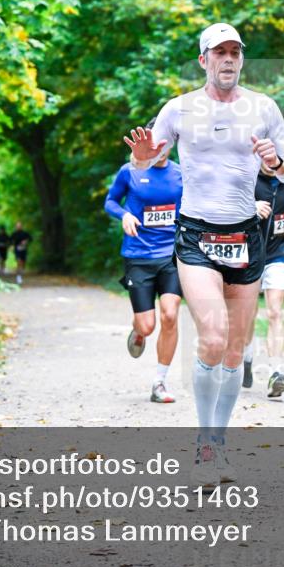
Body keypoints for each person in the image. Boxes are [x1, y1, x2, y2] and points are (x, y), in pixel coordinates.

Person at [123, 23, 284, 487]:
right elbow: (146, 160)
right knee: (214, 336)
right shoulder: (179, 108)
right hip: (197, 234)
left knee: (236, 349)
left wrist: (275, 164)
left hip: (246, 234)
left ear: (242, 58)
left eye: (234, 52)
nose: (228, 59)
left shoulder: (263, 107)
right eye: (218, 52)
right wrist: (142, 158)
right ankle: (204, 442)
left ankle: (217, 441)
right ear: (203, 59)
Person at [104, 121, 184, 404]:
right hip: (138, 256)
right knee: (148, 325)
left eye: (166, 141)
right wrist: (124, 215)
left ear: (172, 143)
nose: (159, 147)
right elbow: (110, 201)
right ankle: (138, 330)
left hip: (172, 256)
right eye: (155, 140)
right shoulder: (130, 172)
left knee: (171, 315)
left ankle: (159, 382)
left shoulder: (181, 174)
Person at [242, 163, 284, 397]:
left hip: (277, 255)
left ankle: (276, 372)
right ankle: (246, 358)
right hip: (248, 256)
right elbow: (227, 209)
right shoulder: (247, 178)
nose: (269, 162)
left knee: (275, 312)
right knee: (248, 314)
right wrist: (251, 207)